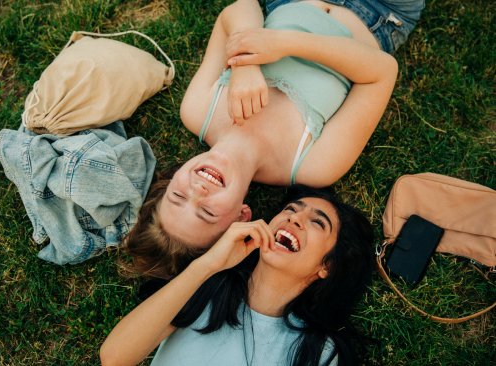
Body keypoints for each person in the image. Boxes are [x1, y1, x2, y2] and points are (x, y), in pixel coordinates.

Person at [121, 0, 424, 278]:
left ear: (172, 180)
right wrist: (286, 43)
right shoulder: (311, 167)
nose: (197, 191)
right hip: (378, 13)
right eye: (207, 212)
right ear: (241, 215)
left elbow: (240, 9)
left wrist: (245, 64)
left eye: (178, 197)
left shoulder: (198, 110)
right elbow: (382, 71)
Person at [102, 185, 374, 365]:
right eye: (290, 209)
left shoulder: (319, 351)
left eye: (317, 222)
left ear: (327, 266)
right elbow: (114, 358)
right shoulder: (206, 286)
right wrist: (207, 265)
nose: (293, 218)